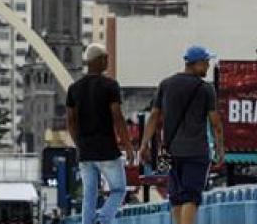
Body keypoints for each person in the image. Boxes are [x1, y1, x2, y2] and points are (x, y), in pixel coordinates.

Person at [139, 46, 225, 224]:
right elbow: (215, 123)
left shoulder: (166, 84)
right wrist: (220, 148)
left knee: (176, 197)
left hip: (169, 151)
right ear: (197, 63)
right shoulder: (206, 89)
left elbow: (154, 116)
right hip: (196, 151)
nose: (208, 66)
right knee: (191, 197)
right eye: (206, 62)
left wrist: (144, 144)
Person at [66, 43, 135, 224]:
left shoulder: (74, 89)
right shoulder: (110, 86)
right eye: (106, 58)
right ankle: (103, 218)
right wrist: (127, 145)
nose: (107, 61)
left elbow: (70, 121)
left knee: (89, 193)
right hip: (106, 149)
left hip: (85, 152)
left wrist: (78, 142)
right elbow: (117, 117)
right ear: (99, 60)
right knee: (119, 189)